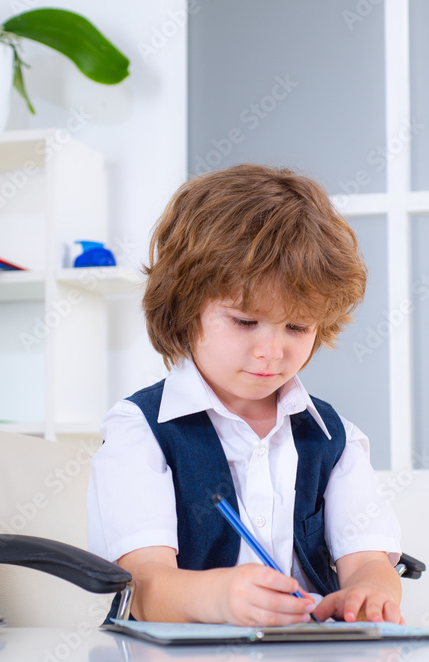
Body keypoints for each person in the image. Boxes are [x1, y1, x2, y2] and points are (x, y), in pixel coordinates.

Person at [87, 163, 402, 627]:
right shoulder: (140, 430)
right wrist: (221, 598)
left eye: (297, 327)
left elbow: (368, 561)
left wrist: (368, 597)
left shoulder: (333, 438)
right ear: (184, 306)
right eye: (244, 321)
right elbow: (144, 584)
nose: (271, 351)